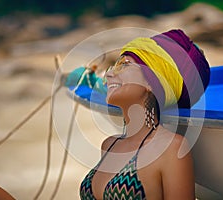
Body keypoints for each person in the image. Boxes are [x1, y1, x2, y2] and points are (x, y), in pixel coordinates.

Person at [79, 29, 210, 200]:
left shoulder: (171, 149)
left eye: (124, 65)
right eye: (113, 66)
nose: (109, 74)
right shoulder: (109, 145)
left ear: (152, 80)